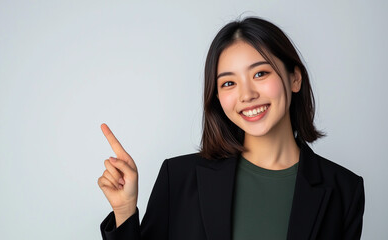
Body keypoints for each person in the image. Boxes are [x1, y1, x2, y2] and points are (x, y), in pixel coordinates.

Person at [97, 17, 365, 240]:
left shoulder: (344, 190)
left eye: (260, 73)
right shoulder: (178, 178)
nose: (246, 95)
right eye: (228, 83)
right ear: (216, 96)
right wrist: (124, 211)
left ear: (294, 78)